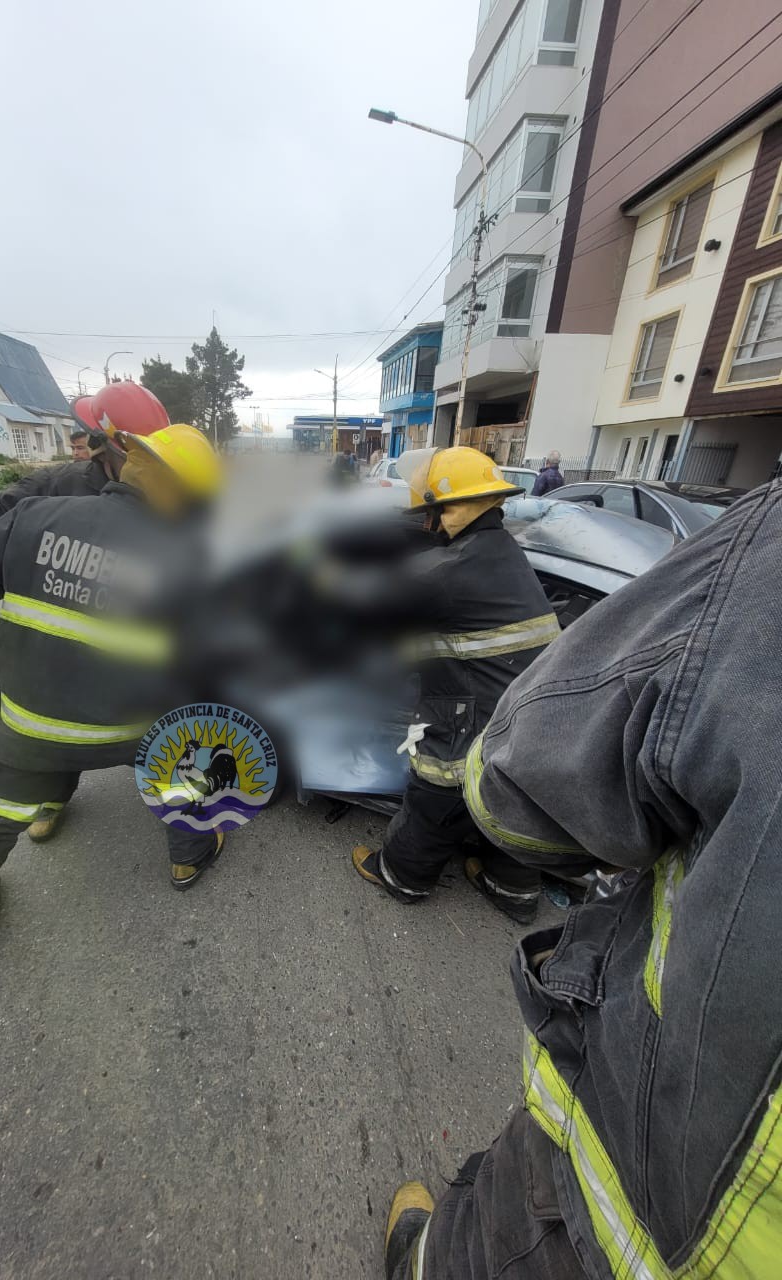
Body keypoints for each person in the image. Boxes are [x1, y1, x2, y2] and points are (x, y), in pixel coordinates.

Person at [382, 481, 782, 1279]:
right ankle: (501, 882)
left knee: (451, 786)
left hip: (638, 1175)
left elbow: (528, 792)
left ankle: (404, 874)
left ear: (440, 511)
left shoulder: (761, 555)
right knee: (502, 835)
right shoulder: (512, 555)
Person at [0, 421, 223, 952]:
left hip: (33, 731)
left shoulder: (32, 518)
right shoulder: (193, 560)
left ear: (131, 463)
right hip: (137, 731)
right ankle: (189, 856)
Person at [351, 447, 561, 922]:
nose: (430, 522)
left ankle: (403, 876)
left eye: (434, 510)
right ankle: (511, 890)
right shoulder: (502, 550)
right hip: (528, 704)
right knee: (507, 793)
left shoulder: (445, 571)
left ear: (453, 506)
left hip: (474, 707)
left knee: (439, 790)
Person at [0, 382, 169, 525]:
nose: (144, 471)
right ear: (100, 451)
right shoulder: (61, 484)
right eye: (133, 458)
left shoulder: (171, 498)